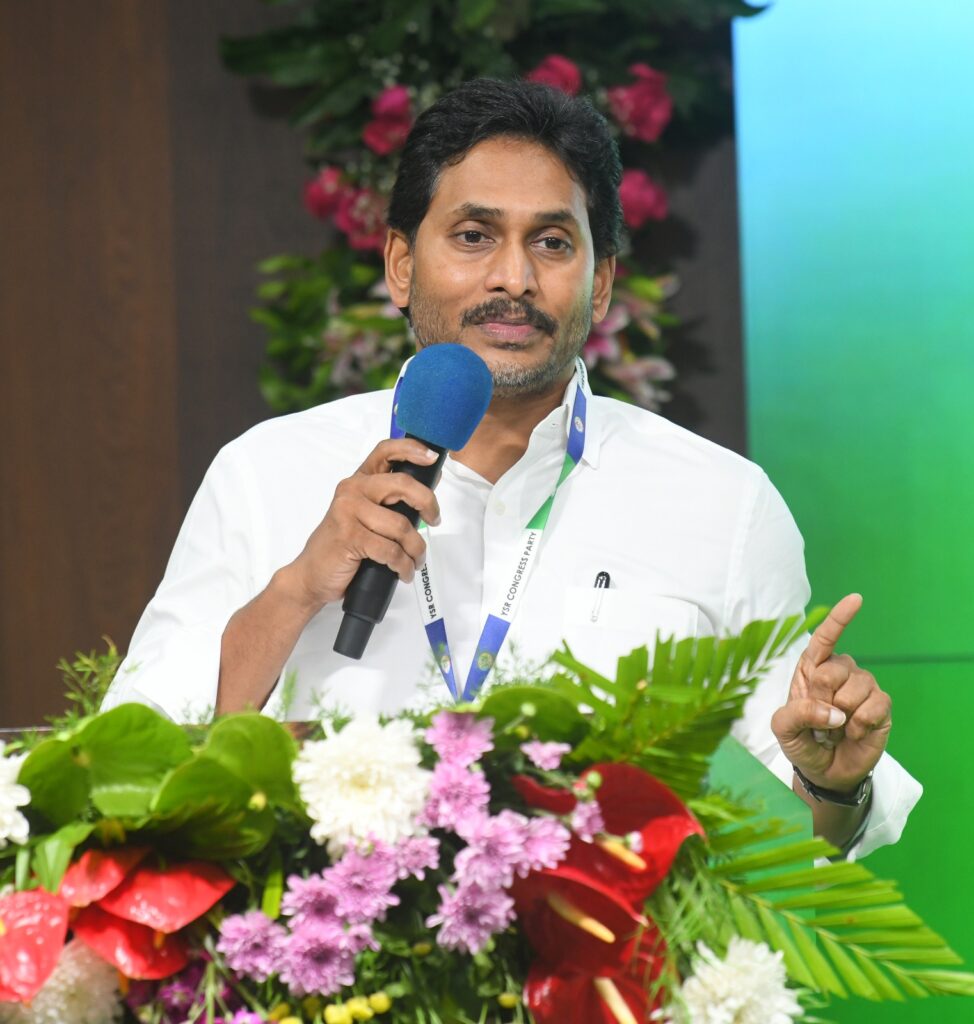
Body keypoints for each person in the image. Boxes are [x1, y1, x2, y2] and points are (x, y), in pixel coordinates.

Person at [102, 78, 920, 859]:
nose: (513, 278)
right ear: (400, 265)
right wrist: (296, 591)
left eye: (553, 243)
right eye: (473, 236)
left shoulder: (723, 502)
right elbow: (131, 766)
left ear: (601, 284)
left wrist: (831, 783)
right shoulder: (265, 473)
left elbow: (789, 845)